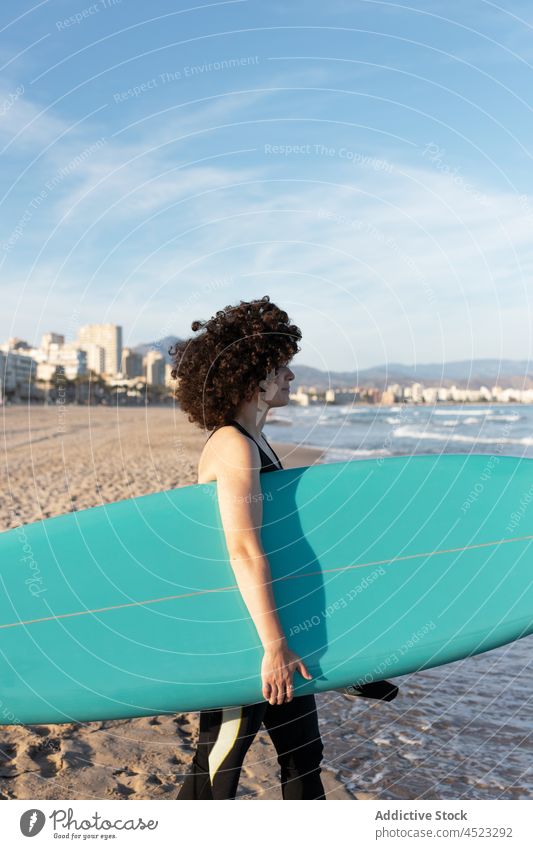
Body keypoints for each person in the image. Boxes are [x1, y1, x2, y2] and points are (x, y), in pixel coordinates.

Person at [169, 295, 327, 800]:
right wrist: (273, 646)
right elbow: (242, 549)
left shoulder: (255, 440)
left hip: (275, 626)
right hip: (248, 636)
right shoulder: (233, 445)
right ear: (251, 377)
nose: (291, 377)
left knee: (304, 759)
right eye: (281, 367)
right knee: (218, 767)